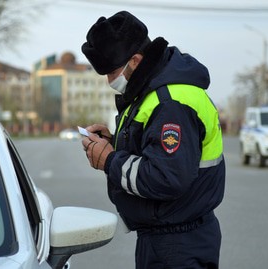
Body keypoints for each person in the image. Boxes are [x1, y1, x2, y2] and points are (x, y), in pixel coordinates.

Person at [80, 11, 226, 269]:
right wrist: (113, 144)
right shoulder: (154, 90)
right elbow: (155, 151)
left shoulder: (170, 103)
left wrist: (110, 160)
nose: (109, 81)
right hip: (166, 235)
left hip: (179, 243)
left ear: (135, 60)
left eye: (112, 72)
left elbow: (166, 177)